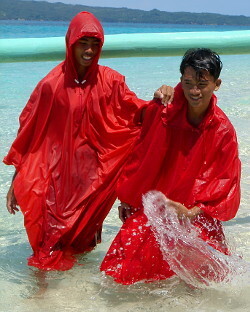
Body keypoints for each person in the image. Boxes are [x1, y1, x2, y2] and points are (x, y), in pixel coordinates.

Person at [4, 11, 173, 271]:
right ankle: (38, 299)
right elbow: (29, 133)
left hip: (93, 179)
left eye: (95, 44)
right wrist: (17, 180)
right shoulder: (51, 85)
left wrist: (160, 96)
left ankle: (77, 299)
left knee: (81, 246)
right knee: (47, 243)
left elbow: (137, 114)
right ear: (70, 43)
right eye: (83, 43)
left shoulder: (111, 81)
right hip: (56, 179)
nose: (90, 50)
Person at [100, 48, 241, 285]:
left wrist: (190, 213)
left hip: (195, 214)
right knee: (120, 278)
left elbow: (226, 188)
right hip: (158, 210)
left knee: (208, 285)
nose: (194, 91)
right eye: (188, 83)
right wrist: (127, 198)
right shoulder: (162, 110)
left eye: (202, 84)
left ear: (217, 84)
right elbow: (140, 155)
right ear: (180, 81)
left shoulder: (223, 131)